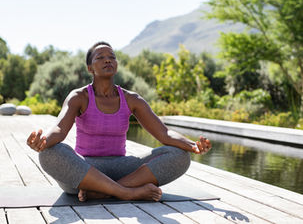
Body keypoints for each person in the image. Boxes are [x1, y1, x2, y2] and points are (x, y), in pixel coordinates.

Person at [26, 41, 212, 202]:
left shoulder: (132, 99)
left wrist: (192, 145)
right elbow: (59, 128)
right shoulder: (79, 97)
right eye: (100, 57)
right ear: (90, 68)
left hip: (122, 170)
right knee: (49, 153)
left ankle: (102, 193)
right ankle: (125, 193)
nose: (108, 59)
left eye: (112, 57)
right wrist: (44, 142)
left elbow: (163, 133)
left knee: (179, 155)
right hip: (84, 171)